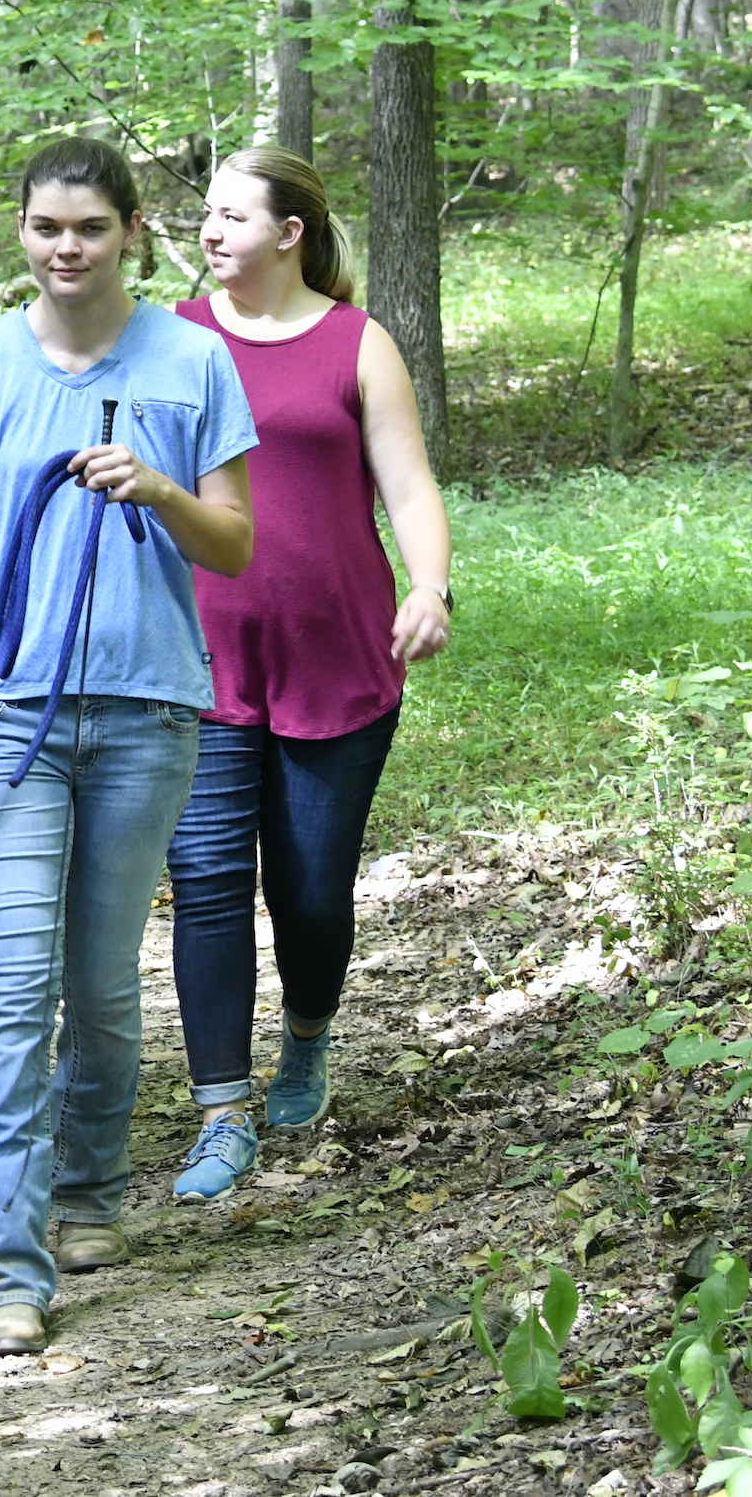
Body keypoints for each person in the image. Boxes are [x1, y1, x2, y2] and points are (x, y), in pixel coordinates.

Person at [0, 137, 257, 1355]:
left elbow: (231, 543)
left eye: (87, 227)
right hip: (5, 709)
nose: (64, 248)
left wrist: (161, 493)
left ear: (129, 232)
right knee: (16, 988)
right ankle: (5, 1264)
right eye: (43, 228)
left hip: (148, 709)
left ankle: (88, 1192)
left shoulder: (191, 362)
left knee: (103, 986)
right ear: (18, 233)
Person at [161, 147, 453, 1206]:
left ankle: (307, 1036)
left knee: (313, 894)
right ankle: (220, 1113)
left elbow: (409, 486)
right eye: (206, 214)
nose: (210, 230)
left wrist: (429, 586)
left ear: (289, 233)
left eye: (233, 215)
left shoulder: (355, 342)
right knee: (205, 886)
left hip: (337, 654)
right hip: (196, 659)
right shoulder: (171, 339)